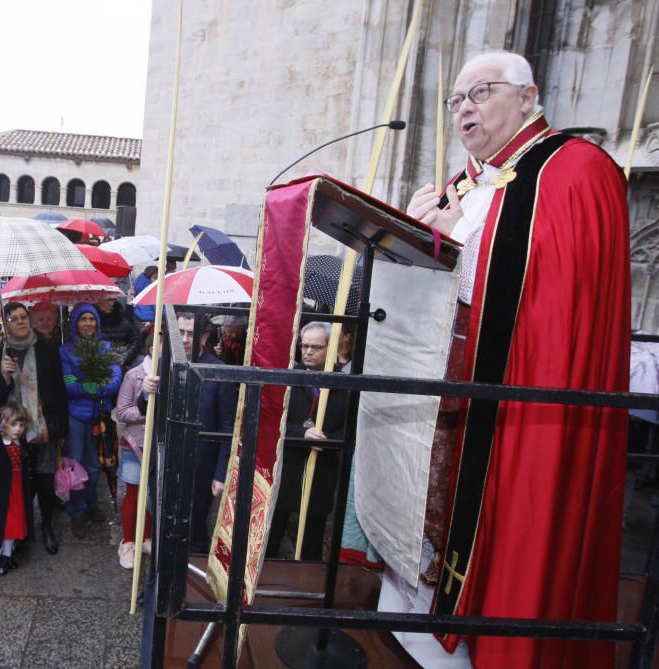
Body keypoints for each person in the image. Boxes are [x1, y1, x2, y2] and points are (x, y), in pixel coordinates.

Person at [391, 51, 630, 669]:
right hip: (459, 386)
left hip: (529, 388)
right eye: (456, 99)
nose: (463, 107)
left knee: (518, 517)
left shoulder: (572, 169)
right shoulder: (469, 178)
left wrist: (451, 237)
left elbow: (541, 285)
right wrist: (416, 233)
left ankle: (503, 634)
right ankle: (442, 610)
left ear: (529, 97)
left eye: (480, 93)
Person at [0, 302, 68, 554]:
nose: (20, 321)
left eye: (24, 317)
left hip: (43, 427)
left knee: (45, 480)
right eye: (14, 319)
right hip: (12, 431)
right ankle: (21, 531)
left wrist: (60, 428)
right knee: (19, 482)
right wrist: (3, 377)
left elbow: (59, 388)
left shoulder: (47, 348)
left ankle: (46, 527)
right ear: (5, 323)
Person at [266, 322, 347, 561]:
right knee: (274, 531)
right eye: (305, 346)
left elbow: (350, 429)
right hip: (288, 466)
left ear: (331, 348)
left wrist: (327, 440)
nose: (308, 351)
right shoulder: (288, 377)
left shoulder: (343, 384)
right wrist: (302, 434)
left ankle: (307, 585)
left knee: (312, 535)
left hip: (322, 468)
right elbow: (272, 421)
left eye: (316, 347)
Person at [175, 311, 239, 553]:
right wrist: (146, 391)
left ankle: (193, 573)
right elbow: (145, 408)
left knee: (195, 524)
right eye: (180, 332)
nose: (185, 339)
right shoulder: (167, 361)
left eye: (191, 334)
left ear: (204, 337)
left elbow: (227, 427)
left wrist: (221, 473)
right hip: (170, 457)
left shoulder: (219, 371)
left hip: (202, 465)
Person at [59, 302, 122, 538]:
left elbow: (116, 378)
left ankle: (91, 501)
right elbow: (68, 384)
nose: (88, 323)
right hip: (76, 417)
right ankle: (76, 511)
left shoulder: (106, 348)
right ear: (75, 323)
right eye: (83, 319)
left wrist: (99, 389)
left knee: (97, 465)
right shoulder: (66, 351)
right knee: (76, 465)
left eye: (91, 319)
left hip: (101, 417)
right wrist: (88, 386)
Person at [114, 328, 156, 568]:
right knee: (134, 493)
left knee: (151, 493)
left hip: (157, 444)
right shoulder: (134, 376)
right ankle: (128, 541)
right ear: (152, 349)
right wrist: (144, 411)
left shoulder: (170, 374)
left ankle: (146, 537)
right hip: (135, 444)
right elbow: (122, 412)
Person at [0, 402, 35, 576]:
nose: (18, 429)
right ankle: (4, 556)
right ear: (3, 424)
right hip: (4, 491)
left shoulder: (21, 443)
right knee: (8, 523)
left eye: (21, 425)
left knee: (16, 521)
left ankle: (7, 554)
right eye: (13, 425)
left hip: (18, 488)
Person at [95, 297, 141, 369]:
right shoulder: (90, 319)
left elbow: (136, 339)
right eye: (107, 299)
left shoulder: (120, 318)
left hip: (121, 361)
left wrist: (125, 357)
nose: (111, 303)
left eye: (113, 299)